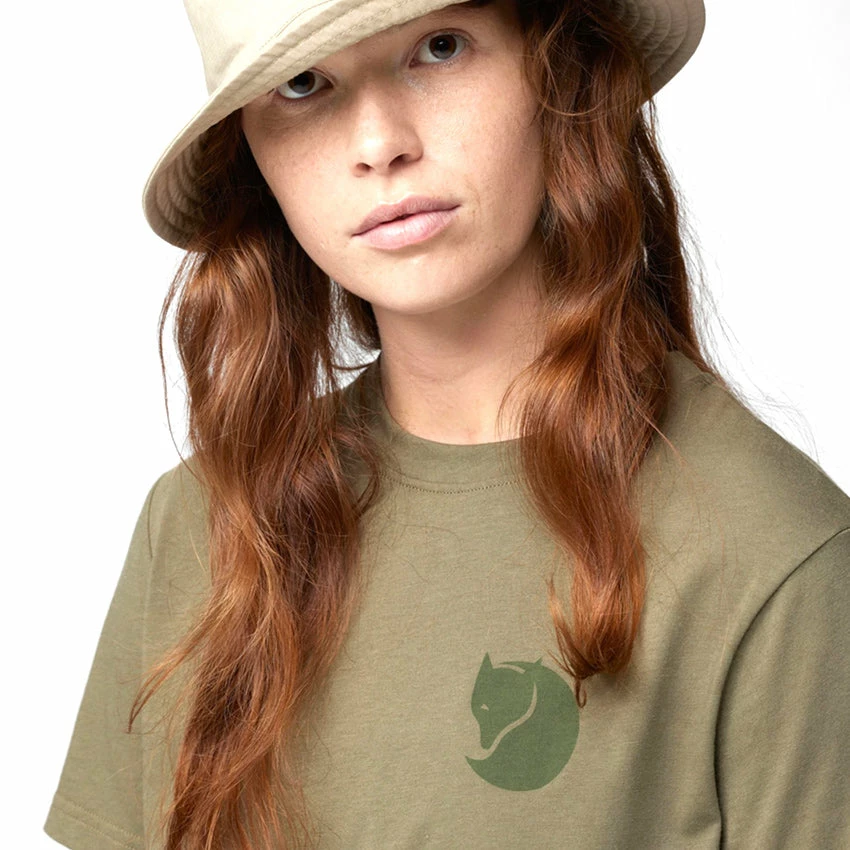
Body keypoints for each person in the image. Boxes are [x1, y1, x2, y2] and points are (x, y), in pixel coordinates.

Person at [44, 0, 850, 847]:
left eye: (439, 47)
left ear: (560, 69)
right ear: (250, 151)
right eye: (303, 83)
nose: (378, 143)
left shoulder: (769, 554)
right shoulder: (200, 521)